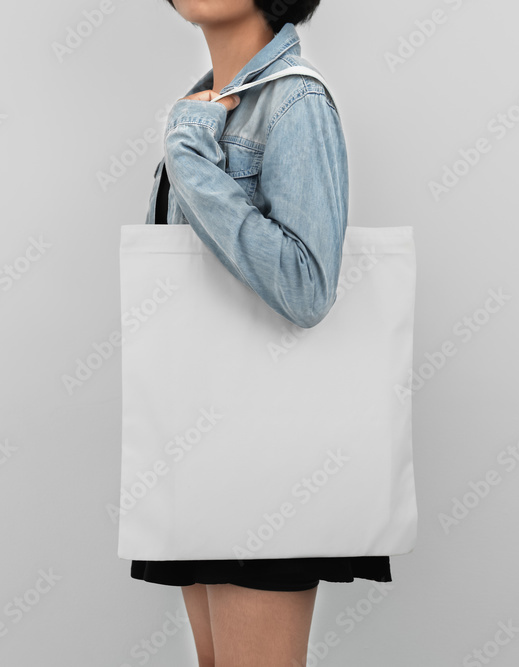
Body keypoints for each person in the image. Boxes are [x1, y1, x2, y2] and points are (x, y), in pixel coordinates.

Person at [131, 2, 391, 665]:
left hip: (267, 459)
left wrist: (190, 158)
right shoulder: (201, 103)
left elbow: (307, 287)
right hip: (195, 446)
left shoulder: (293, 102)